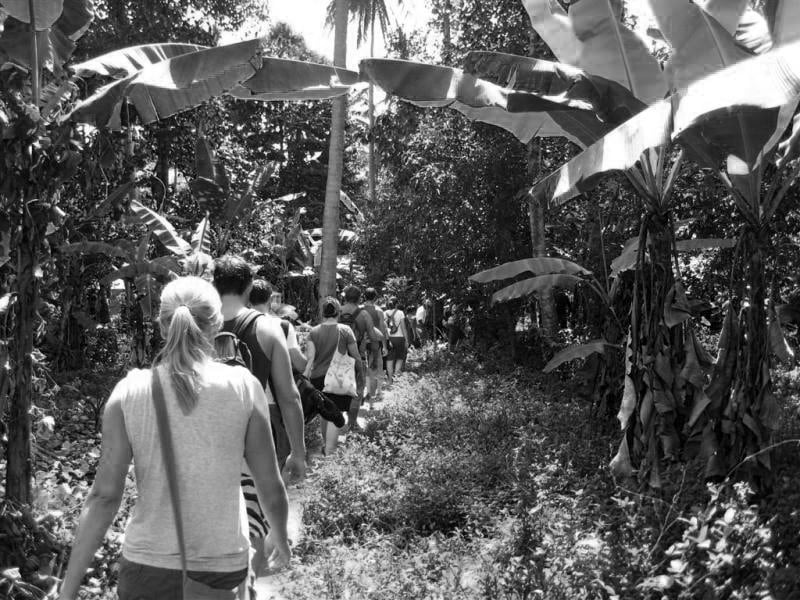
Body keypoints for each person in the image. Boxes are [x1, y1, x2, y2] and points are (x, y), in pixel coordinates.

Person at [57, 277, 290, 600]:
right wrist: (279, 536)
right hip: (222, 567)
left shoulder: (129, 392)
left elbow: (104, 498)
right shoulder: (243, 387)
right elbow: (269, 485)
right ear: (216, 324)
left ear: (163, 327)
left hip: (146, 569)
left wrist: (68, 589)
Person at [303, 297, 363, 455]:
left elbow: (310, 359)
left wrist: (304, 377)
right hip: (338, 377)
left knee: (325, 412)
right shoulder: (345, 330)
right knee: (335, 412)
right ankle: (330, 450)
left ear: (322, 313)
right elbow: (355, 355)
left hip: (317, 378)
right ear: (338, 313)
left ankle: (326, 446)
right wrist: (360, 373)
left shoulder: (313, 332)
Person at [339, 285, 380, 422]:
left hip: (338, 357)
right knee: (357, 391)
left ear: (345, 297)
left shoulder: (337, 311)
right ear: (359, 298)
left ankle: (338, 421)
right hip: (359, 357)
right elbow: (374, 338)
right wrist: (374, 358)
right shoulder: (364, 315)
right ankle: (352, 423)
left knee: (337, 388)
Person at [250, 279, 307, 374]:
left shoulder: (237, 324)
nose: (277, 300)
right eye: (275, 297)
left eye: (278, 297)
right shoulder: (283, 326)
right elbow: (300, 365)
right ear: (270, 299)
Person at [361, 287, 389, 404]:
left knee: (366, 368)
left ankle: (367, 392)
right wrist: (385, 346)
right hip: (375, 342)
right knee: (377, 367)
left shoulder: (359, 309)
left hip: (362, 343)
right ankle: (379, 392)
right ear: (375, 298)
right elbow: (382, 329)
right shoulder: (379, 311)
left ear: (364, 296)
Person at [385, 296, 411, 383]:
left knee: (389, 358)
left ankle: (389, 379)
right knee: (400, 357)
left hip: (389, 338)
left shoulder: (385, 313)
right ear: (397, 304)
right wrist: (406, 340)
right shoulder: (400, 313)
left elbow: (383, 327)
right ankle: (396, 376)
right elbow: (403, 327)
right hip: (399, 338)